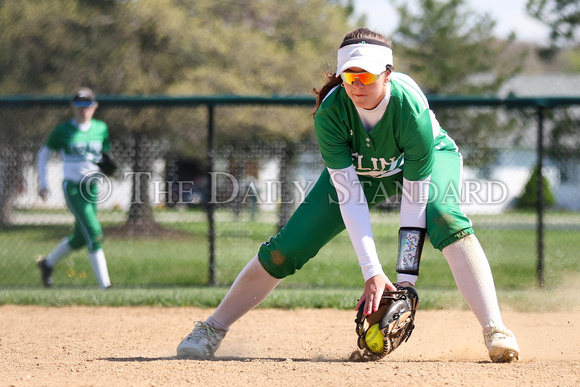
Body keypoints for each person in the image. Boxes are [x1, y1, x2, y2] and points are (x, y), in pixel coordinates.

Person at [177, 28, 520, 363]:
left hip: (425, 162)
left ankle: (496, 330)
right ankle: (211, 328)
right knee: (287, 248)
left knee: (442, 214)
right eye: (349, 77)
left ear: (388, 74)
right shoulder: (331, 112)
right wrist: (372, 272)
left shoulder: (409, 109)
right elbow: (350, 197)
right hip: (360, 175)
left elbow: (414, 202)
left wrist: (405, 283)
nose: (357, 86)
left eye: (366, 77)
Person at [36, 87, 112, 290]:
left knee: (80, 238)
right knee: (94, 232)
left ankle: (47, 264)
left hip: (92, 187)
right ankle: (106, 286)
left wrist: (108, 165)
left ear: (94, 107)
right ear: (72, 106)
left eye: (87, 104)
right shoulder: (63, 131)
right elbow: (43, 154)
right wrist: (43, 183)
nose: (83, 108)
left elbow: (104, 154)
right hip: (73, 188)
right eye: (79, 104)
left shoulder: (100, 128)